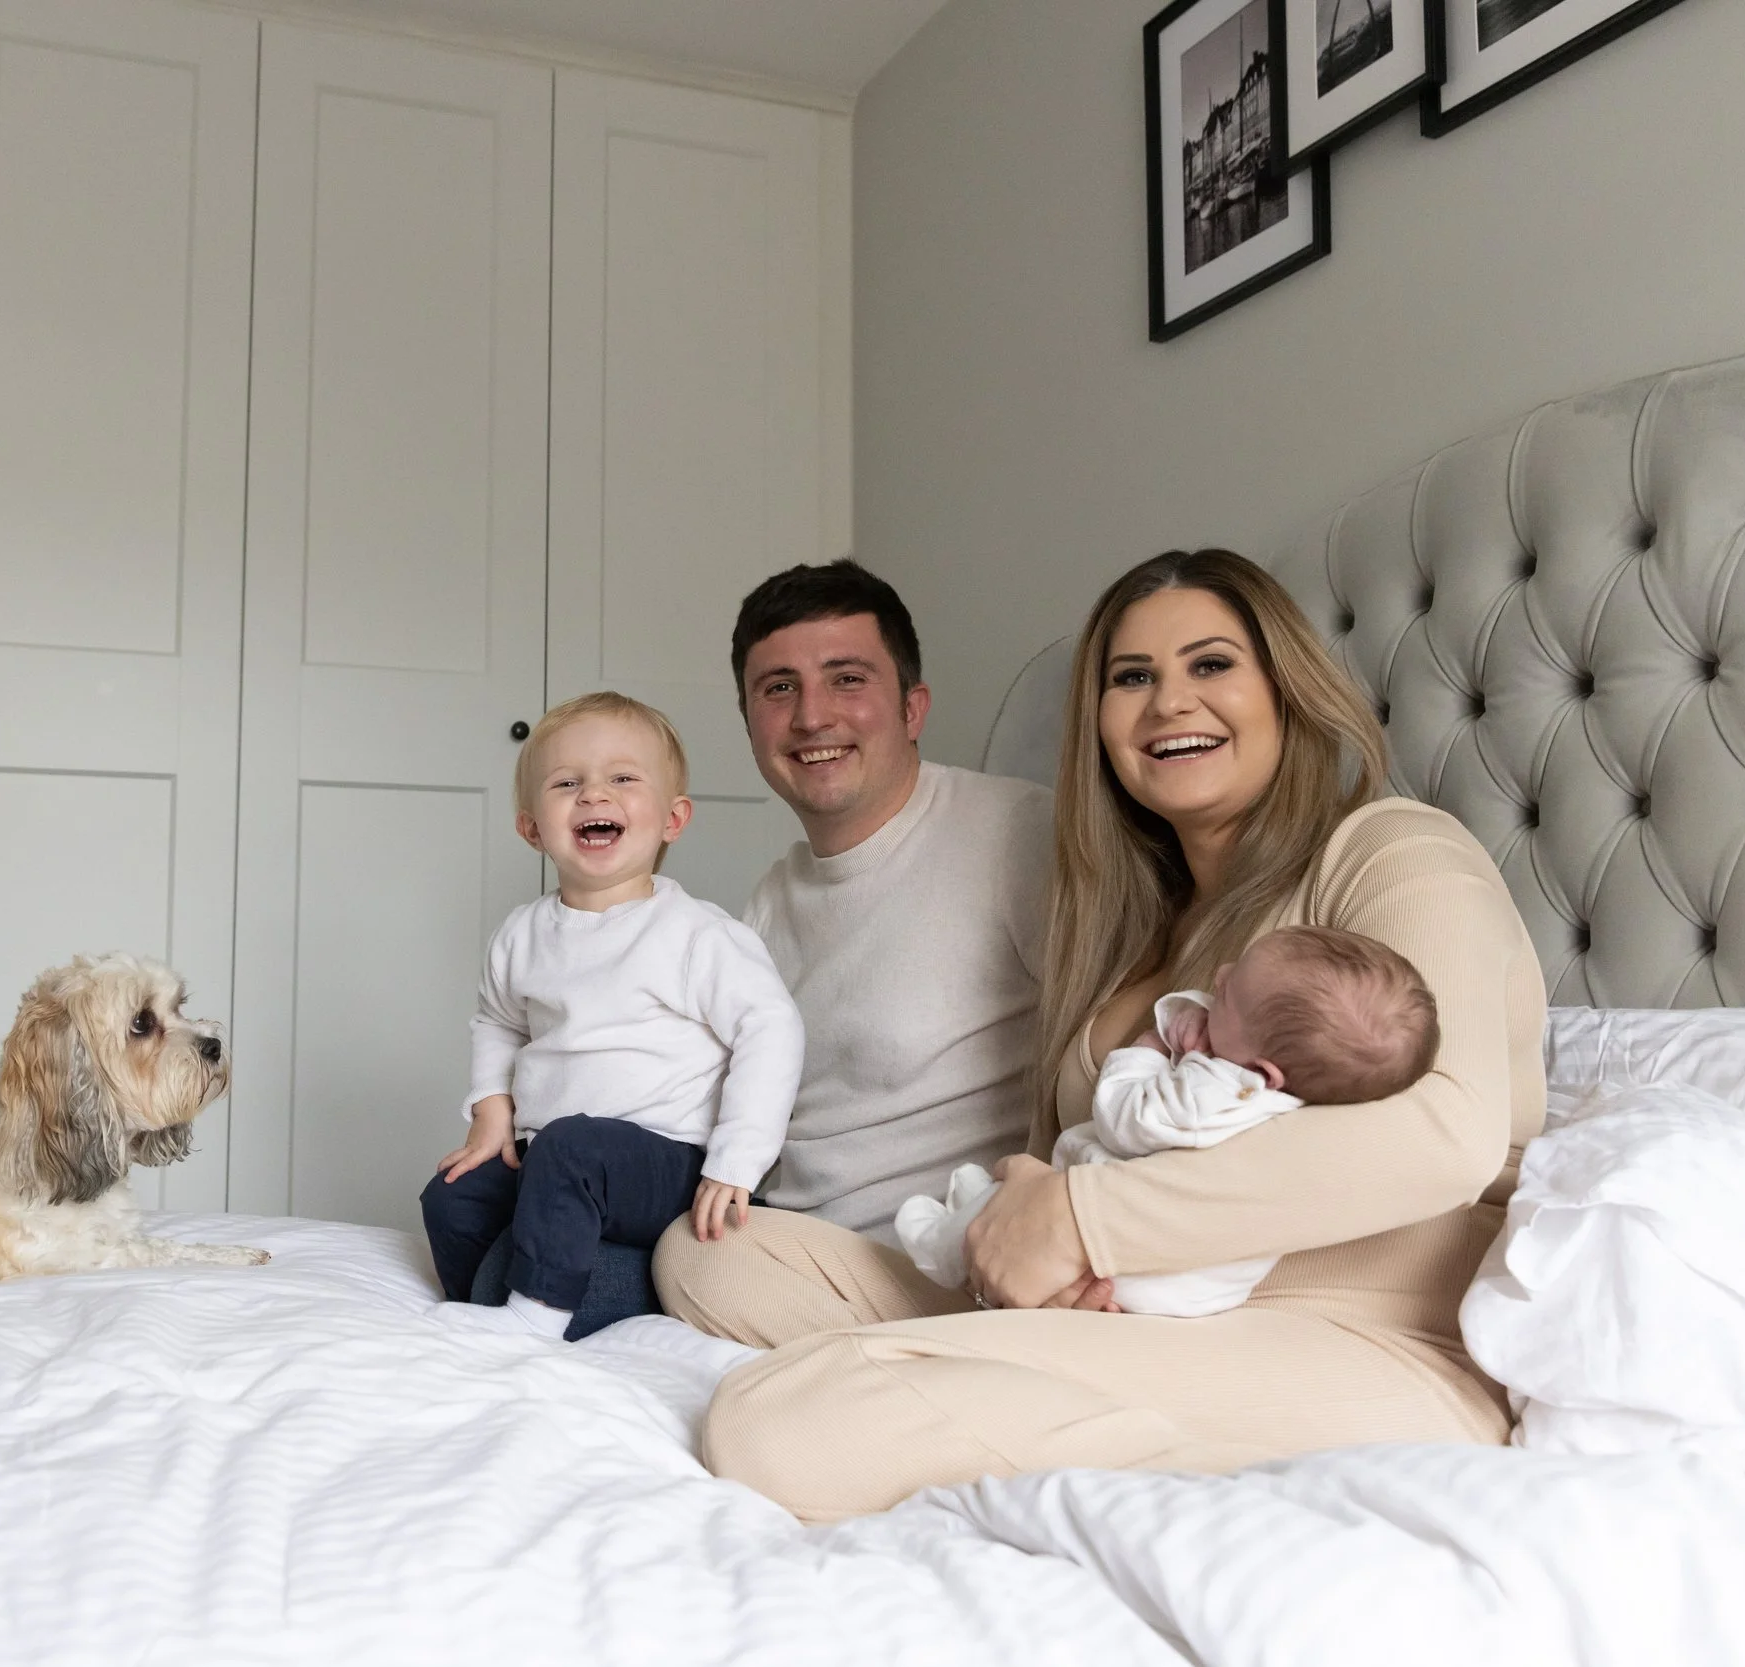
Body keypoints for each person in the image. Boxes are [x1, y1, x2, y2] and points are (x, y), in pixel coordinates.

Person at [688, 548, 1546, 1521]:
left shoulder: (1390, 850)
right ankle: (1028, 1392)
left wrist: (1081, 1220)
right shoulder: (1131, 918)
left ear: (1283, 688)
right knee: (709, 1252)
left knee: (776, 1421)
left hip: (1362, 1332)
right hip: (1136, 1307)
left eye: (1210, 664)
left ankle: (1153, 1472)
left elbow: (1446, 1134)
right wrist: (1029, 1197)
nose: (1169, 701)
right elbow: (1083, 1144)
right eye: (1132, 677)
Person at [649, 561, 1055, 1336]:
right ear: (749, 724)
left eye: (846, 679)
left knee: (689, 1258)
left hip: (936, 1262)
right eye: (778, 689)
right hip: (783, 1239)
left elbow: (1101, 1064)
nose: (811, 716)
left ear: (913, 707)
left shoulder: (1020, 835)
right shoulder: (768, 902)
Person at [419, 692, 804, 1339]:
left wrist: (736, 1161)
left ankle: (532, 1321)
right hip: (557, 1163)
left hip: (669, 1162)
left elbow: (771, 1029)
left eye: (623, 778)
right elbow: (498, 1019)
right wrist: (492, 1110)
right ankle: (483, 1306)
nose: (594, 794)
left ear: (673, 818)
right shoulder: (523, 933)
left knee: (573, 1144)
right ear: (532, 827)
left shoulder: (694, 933)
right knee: (454, 1194)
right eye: (567, 782)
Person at [896, 923, 1442, 1317]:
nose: (1220, 974)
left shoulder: (1218, 1091)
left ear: (1263, 1072)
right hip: (1190, 1292)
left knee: (975, 1222)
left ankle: (937, 1242)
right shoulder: (1280, 1095)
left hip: (1130, 1270)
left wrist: (1149, 1048)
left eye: (1226, 995)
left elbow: (1125, 1118)